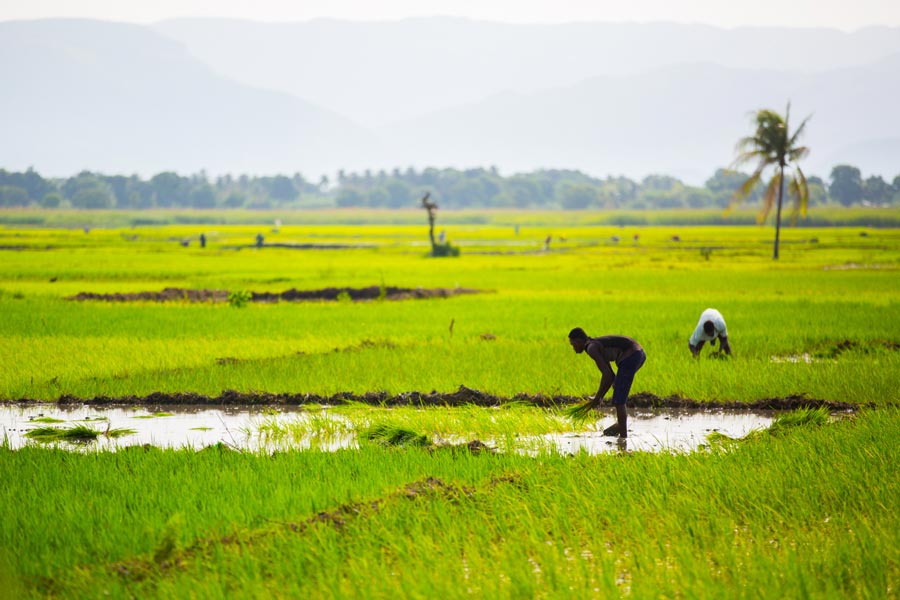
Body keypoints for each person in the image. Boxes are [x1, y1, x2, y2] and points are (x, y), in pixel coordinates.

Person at [568, 328, 646, 438]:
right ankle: (620, 426)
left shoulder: (591, 348)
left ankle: (623, 440)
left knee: (619, 400)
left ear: (579, 341)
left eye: (573, 344)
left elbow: (607, 375)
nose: (573, 348)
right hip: (638, 354)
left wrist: (598, 398)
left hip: (631, 356)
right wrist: (600, 397)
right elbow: (610, 375)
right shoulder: (595, 345)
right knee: (618, 389)